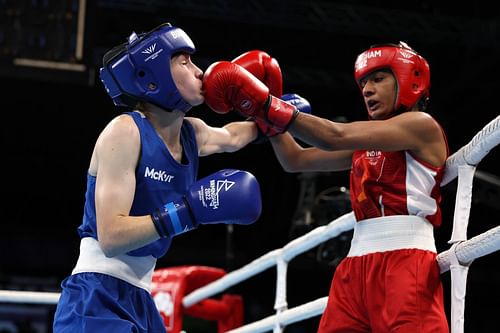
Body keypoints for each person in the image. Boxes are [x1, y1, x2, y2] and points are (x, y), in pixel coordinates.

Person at [202, 42, 449, 332]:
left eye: (378, 79)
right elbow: (295, 160)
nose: (367, 89)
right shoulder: (367, 144)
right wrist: (263, 114)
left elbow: (335, 135)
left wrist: (265, 102)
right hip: (355, 265)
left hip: (406, 258)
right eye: (364, 82)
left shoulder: (422, 125)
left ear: (410, 80)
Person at [52, 22, 267, 333]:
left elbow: (235, 136)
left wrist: (270, 108)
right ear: (152, 76)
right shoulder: (125, 131)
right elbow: (111, 236)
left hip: (141, 297)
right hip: (96, 295)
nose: (199, 71)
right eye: (184, 61)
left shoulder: (193, 133)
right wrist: (187, 212)